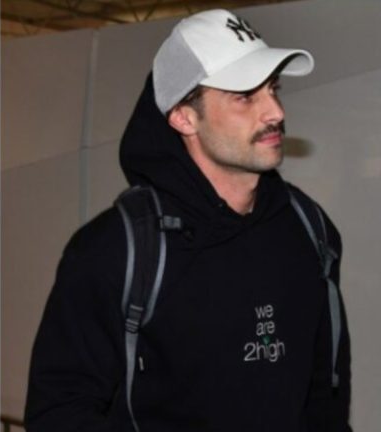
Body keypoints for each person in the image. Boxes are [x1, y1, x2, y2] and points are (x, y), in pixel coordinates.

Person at [25, 9, 351, 432]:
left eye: (273, 89)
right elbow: (59, 414)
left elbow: (325, 400)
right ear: (183, 116)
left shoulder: (309, 230)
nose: (274, 111)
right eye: (244, 96)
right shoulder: (116, 249)